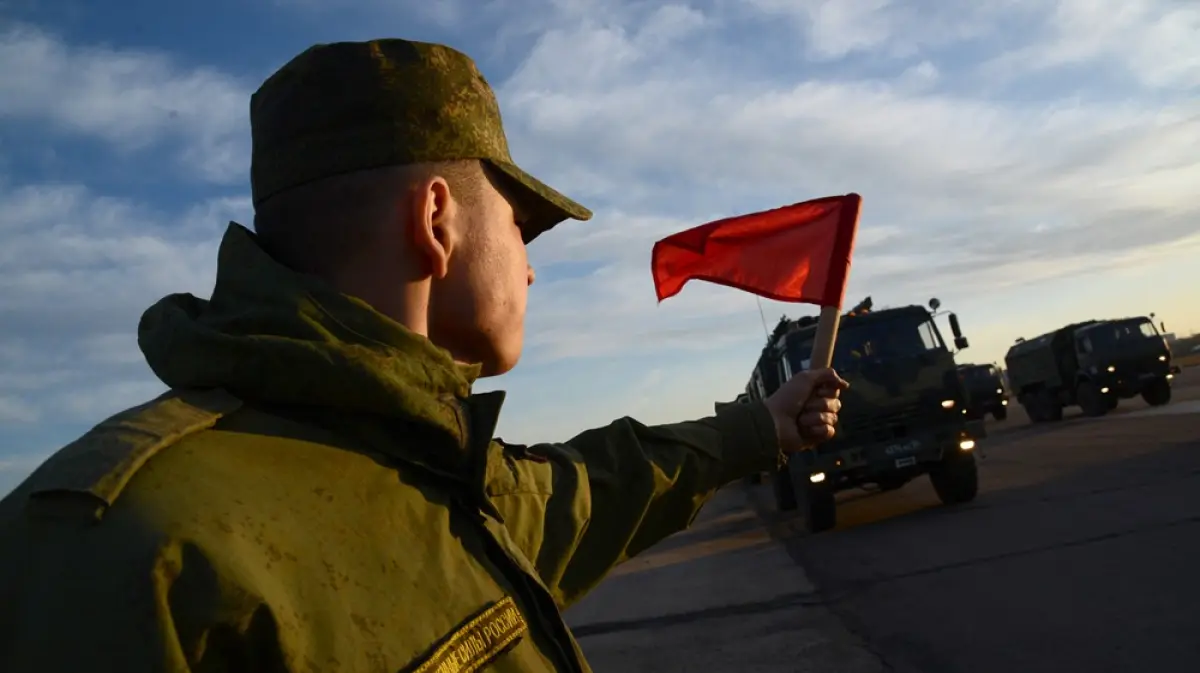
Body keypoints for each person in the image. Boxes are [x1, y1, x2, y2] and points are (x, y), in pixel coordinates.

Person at [0, 38, 848, 672]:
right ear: (438, 222)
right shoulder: (112, 542)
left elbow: (594, 485)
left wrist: (763, 427)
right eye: (519, 223)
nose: (529, 263)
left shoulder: (430, 467)